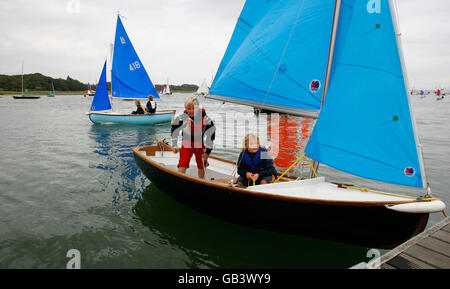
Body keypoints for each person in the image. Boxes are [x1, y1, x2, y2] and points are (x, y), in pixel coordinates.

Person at [171, 96, 216, 179]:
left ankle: (201, 181)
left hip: (199, 143)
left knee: (201, 164)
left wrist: (207, 152)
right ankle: (179, 180)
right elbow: (174, 130)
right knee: (183, 163)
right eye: (189, 108)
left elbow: (211, 135)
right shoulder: (182, 118)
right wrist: (174, 144)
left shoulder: (206, 119)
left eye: (193, 108)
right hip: (186, 143)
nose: (191, 111)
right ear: (185, 109)